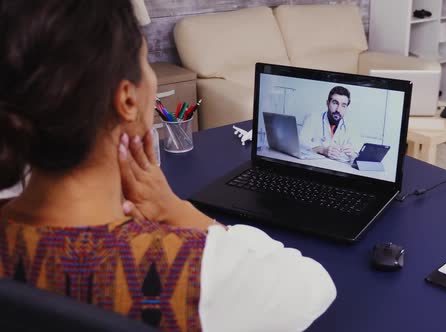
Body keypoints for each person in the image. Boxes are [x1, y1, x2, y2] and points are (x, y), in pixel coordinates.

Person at [0, 1, 336, 331]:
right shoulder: (198, 270)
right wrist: (180, 212)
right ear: (127, 100)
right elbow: (316, 286)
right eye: (146, 60)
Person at [300, 86, 362, 163]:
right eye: (335, 103)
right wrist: (322, 150)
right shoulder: (313, 118)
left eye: (343, 105)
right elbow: (300, 144)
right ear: (327, 103)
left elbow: (359, 153)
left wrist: (353, 154)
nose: (338, 109)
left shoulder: (351, 127)